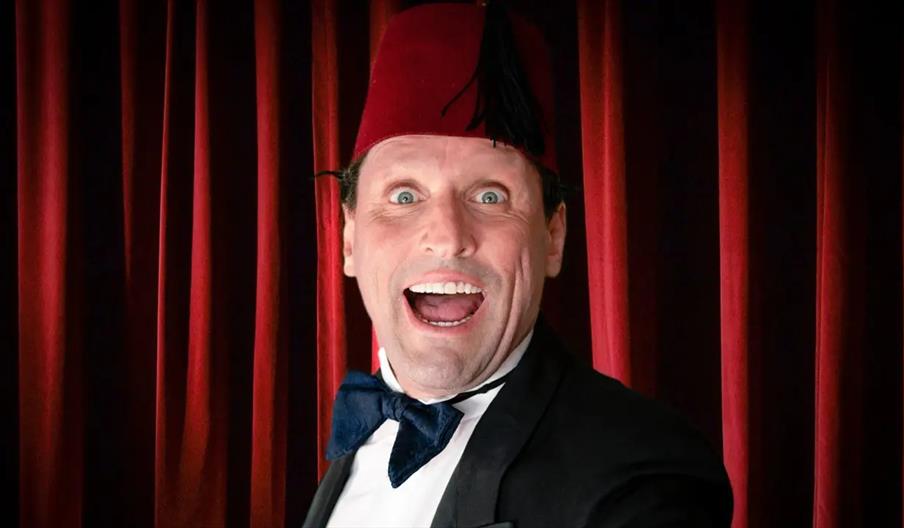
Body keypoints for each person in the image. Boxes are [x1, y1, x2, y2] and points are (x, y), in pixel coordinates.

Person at [304, 3, 732, 527]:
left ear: (553, 237)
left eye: (489, 196)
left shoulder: (645, 473)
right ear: (349, 239)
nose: (447, 237)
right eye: (404, 195)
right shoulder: (355, 438)